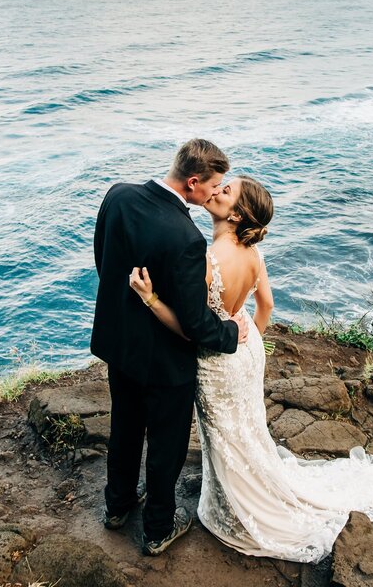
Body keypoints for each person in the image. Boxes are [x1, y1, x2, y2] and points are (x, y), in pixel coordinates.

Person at [128, 175, 373, 563]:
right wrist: (247, 343)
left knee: (227, 432)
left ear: (236, 214)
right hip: (247, 350)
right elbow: (266, 306)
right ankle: (247, 484)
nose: (215, 190)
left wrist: (150, 299)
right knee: (247, 427)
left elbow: (192, 331)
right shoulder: (253, 254)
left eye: (225, 191)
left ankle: (240, 501)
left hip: (219, 360)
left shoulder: (206, 259)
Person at [91, 138, 245, 556]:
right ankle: (158, 528)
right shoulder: (186, 238)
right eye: (213, 186)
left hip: (119, 344)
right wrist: (231, 333)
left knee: (123, 426)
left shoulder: (117, 195)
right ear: (193, 182)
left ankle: (117, 506)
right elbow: (195, 324)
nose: (216, 193)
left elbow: (102, 259)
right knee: (166, 443)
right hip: (163, 360)